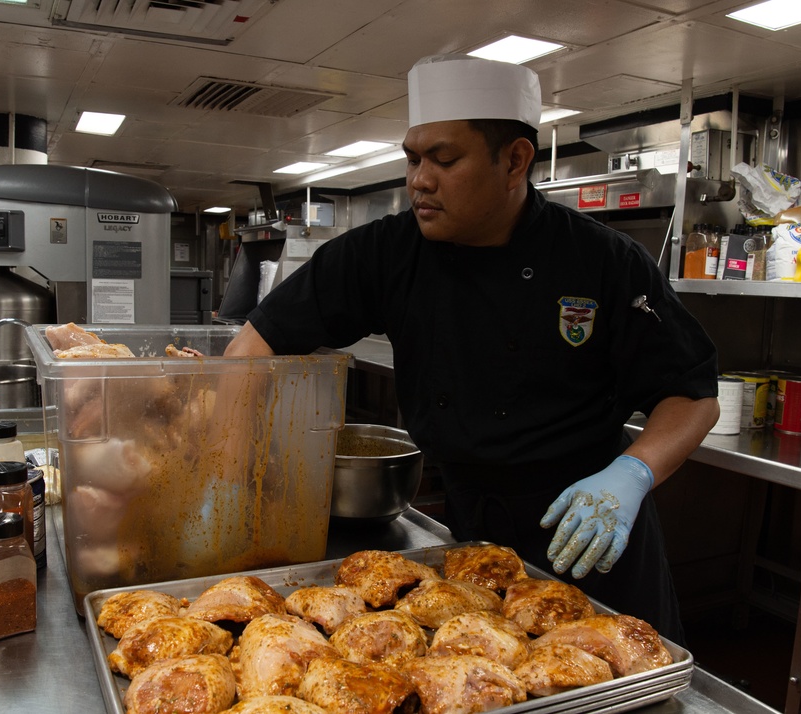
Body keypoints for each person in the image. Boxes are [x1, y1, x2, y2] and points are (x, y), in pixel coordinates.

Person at [224, 54, 720, 643]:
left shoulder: (602, 261)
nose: (418, 179)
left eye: (444, 159)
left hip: (586, 532)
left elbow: (693, 395)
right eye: (412, 158)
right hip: (466, 529)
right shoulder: (384, 253)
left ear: (515, 161)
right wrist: (234, 472)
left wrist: (631, 474)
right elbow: (253, 348)